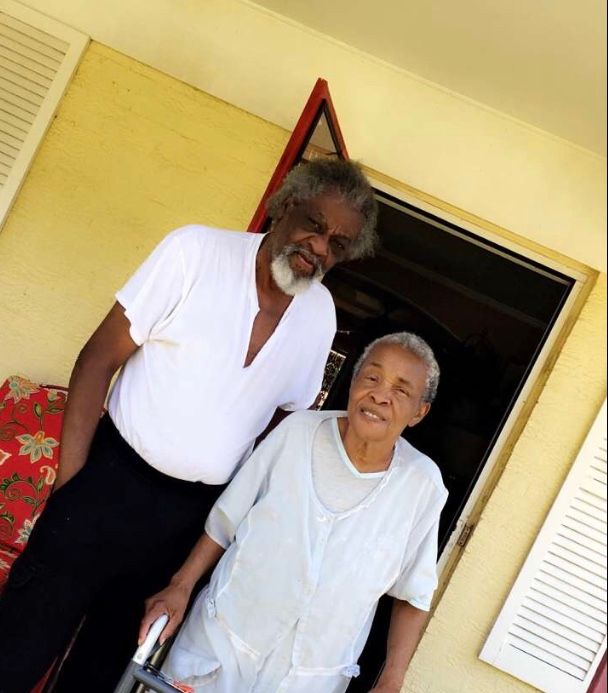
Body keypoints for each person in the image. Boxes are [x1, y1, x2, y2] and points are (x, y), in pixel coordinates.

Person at [0, 158, 378, 693]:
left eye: (338, 244)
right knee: (16, 650)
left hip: (186, 521)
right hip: (108, 481)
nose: (319, 247)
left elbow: (278, 426)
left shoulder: (319, 316)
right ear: (285, 206)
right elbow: (98, 358)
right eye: (314, 225)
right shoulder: (196, 251)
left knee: (100, 674)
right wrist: (71, 491)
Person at [140, 332, 448, 693]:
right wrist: (180, 586)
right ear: (353, 382)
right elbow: (225, 522)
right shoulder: (298, 432)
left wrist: (391, 681)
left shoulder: (422, 486)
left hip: (310, 679)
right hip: (221, 646)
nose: (380, 395)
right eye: (372, 377)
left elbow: (413, 593)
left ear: (419, 412)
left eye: (401, 390)